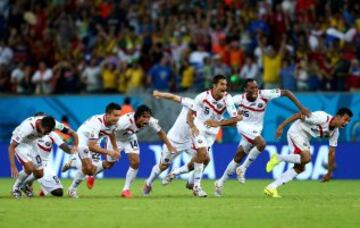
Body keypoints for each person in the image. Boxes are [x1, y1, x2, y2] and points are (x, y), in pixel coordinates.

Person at [214, 79, 310, 196]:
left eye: (256, 87)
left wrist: (301, 108)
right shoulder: (239, 99)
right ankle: (243, 168)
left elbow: (287, 92)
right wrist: (219, 119)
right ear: (245, 89)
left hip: (255, 129)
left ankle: (220, 182)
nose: (255, 90)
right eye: (252, 88)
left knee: (238, 157)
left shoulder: (265, 94)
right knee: (262, 144)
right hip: (243, 126)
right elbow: (222, 105)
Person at [264, 108, 353, 198]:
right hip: (296, 132)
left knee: (300, 168)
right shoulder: (321, 118)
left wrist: (329, 173)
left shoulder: (335, 133)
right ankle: (279, 158)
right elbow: (298, 115)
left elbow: (332, 153)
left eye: (348, 121)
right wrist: (281, 127)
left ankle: (271, 188)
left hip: (305, 138)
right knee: (306, 158)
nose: (346, 123)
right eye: (345, 119)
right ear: (338, 117)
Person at [181, 75, 240, 197]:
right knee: (202, 154)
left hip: (212, 134)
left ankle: (190, 181)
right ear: (214, 85)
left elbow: (236, 119)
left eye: (226, 84)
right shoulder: (202, 97)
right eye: (222, 84)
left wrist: (218, 123)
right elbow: (190, 114)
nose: (225, 87)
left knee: (204, 158)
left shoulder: (227, 99)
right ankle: (197, 187)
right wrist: (192, 126)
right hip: (199, 129)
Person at [112, 104, 176, 198]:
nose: (147, 120)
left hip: (130, 138)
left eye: (148, 117)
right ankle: (91, 175)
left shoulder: (151, 121)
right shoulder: (123, 122)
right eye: (144, 117)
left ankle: (126, 190)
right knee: (108, 164)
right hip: (116, 139)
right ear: (137, 117)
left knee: (136, 162)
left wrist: (169, 146)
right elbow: (110, 132)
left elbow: (160, 132)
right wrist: (114, 147)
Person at [8, 114, 78, 198]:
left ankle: (25, 185)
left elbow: (72, 133)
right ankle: (15, 188)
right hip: (21, 144)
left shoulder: (55, 124)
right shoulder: (27, 128)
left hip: (33, 143)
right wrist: (13, 165)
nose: (47, 133)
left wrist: (75, 145)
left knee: (39, 174)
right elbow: (12, 146)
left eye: (50, 131)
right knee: (29, 168)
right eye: (46, 131)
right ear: (41, 124)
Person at [143, 90, 197, 196]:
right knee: (163, 166)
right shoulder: (191, 103)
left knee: (202, 159)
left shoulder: (207, 112)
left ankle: (193, 183)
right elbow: (173, 97)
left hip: (190, 141)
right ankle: (148, 183)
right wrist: (160, 94)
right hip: (174, 140)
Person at [67, 103, 121, 198]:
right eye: (115, 115)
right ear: (108, 115)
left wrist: (116, 149)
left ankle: (73, 162)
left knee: (92, 171)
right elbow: (91, 146)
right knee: (88, 168)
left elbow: (111, 134)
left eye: (119, 115)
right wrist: (109, 152)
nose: (118, 118)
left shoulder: (112, 123)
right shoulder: (96, 123)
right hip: (82, 140)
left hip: (95, 141)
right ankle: (72, 188)